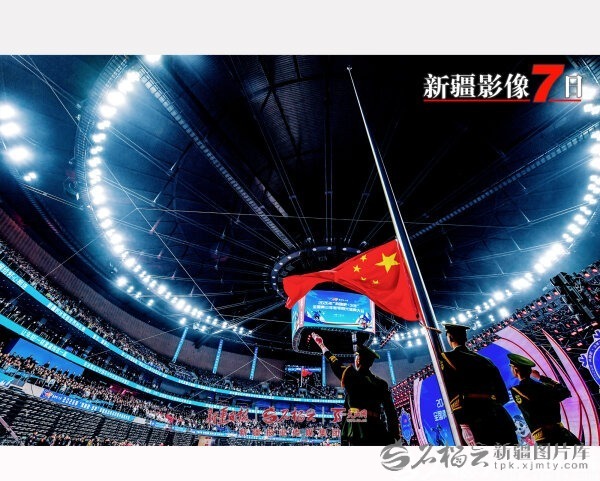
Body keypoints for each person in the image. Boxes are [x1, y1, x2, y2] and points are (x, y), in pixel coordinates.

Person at [310, 332, 400, 446]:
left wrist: (322, 345)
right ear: (370, 363)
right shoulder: (381, 383)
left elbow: (334, 362)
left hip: (358, 430)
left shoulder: (351, 376)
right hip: (378, 430)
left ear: (358, 360)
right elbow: (391, 413)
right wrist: (395, 437)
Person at [439, 323, 517, 445]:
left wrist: (463, 423)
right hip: (501, 417)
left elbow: (452, 390)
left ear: (450, 338)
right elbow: (503, 396)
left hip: (476, 420)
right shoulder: (486, 361)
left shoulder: (448, 358)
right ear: (465, 338)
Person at [508, 353, 581, 445]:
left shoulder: (517, 391)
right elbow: (565, 392)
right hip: (562, 434)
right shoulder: (546, 387)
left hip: (545, 438)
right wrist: (541, 378)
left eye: (511, 367)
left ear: (515, 370)